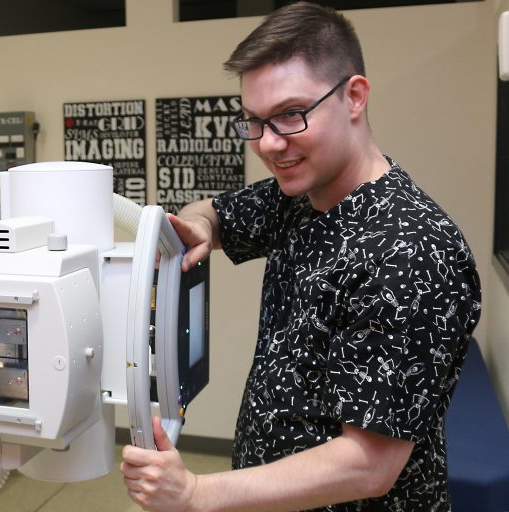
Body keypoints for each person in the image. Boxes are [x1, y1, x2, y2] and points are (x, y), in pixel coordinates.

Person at [120, 3, 482, 511]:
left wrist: (196, 493)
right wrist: (198, 226)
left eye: (291, 115)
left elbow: (370, 462)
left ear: (354, 96)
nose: (269, 144)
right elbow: (213, 213)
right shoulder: (300, 197)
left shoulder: (412, 250)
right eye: (254, 121)